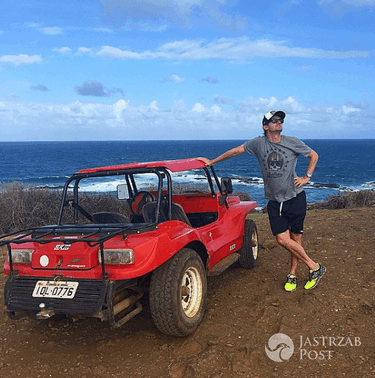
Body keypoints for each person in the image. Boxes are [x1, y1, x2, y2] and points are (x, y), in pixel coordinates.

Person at [201, 110, 325, 291]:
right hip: (275, 201)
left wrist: (307, 177)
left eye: (281, 120)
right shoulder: (258, 144)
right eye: (274, 120)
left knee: (295, 240)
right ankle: (315, 267)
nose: (279, 122)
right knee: (282, 240)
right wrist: (213, 161)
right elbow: (236, 151)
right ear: (266, 126)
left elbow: (313, 155)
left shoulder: (293, 142)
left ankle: (292, 275)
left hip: (295, 197)